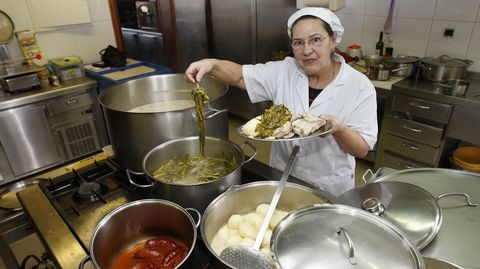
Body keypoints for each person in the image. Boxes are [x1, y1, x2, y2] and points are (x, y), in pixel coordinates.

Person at [185, 7, 377, 196]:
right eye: (298, 43)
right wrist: (211, 65)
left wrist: (339, 130)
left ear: (333, 40)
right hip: (283, 178)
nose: (306, 50)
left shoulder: (359, 86)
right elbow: (239, 76)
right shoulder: (283, 71)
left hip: (329, 188)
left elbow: (361, 149)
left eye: (316, 40)